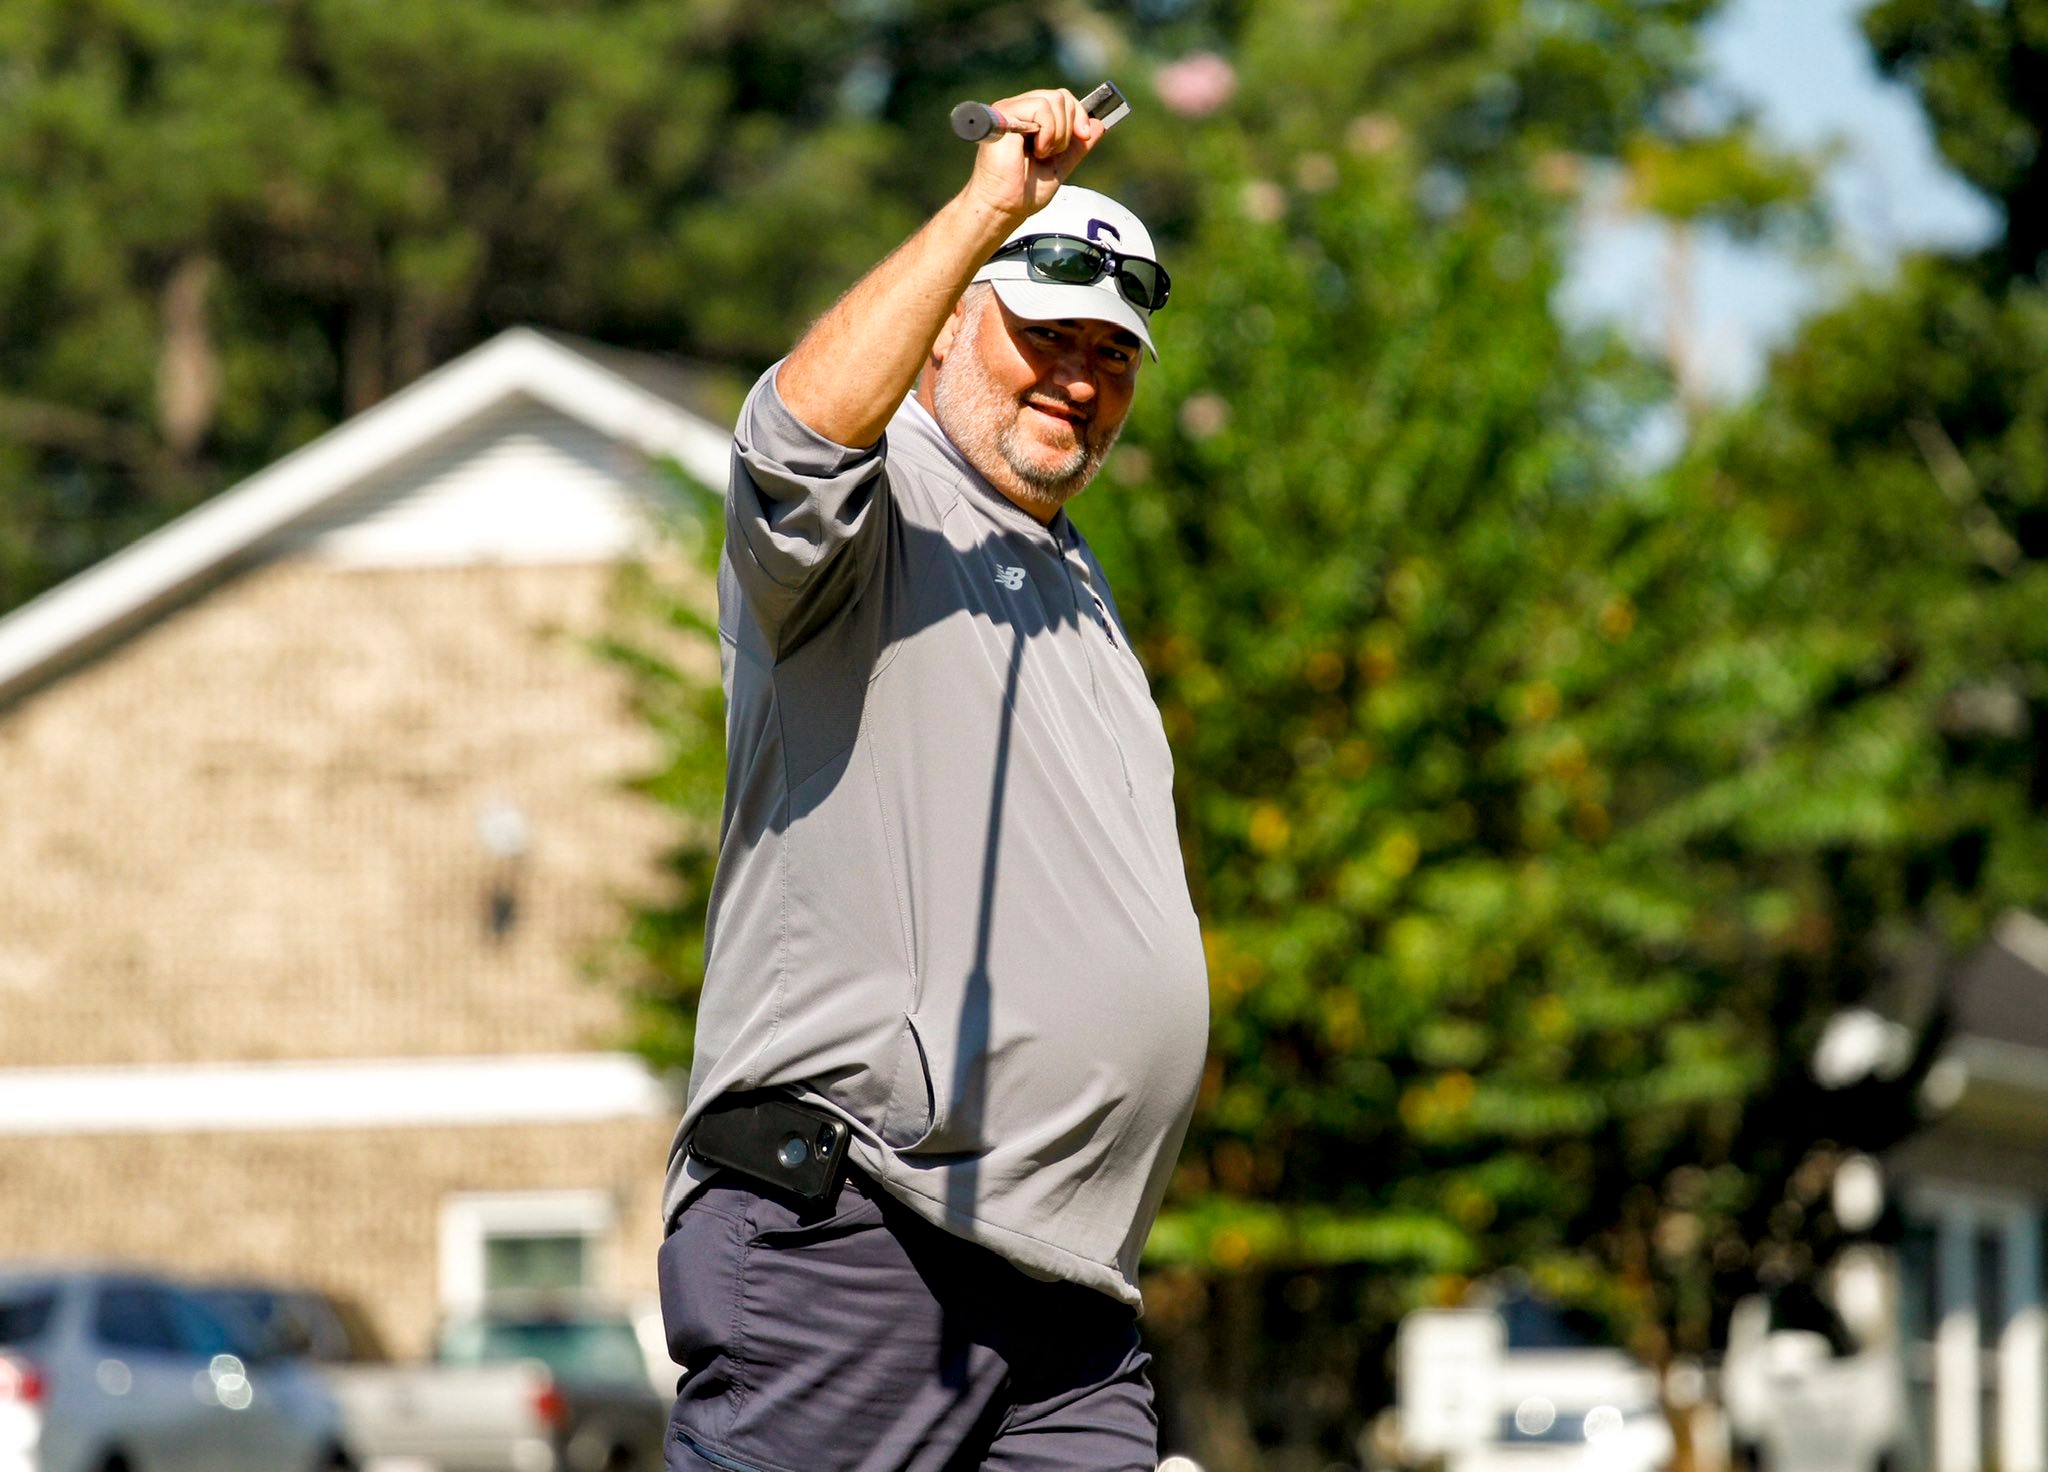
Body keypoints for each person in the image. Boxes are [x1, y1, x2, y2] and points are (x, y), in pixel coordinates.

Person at [656, 85, 1209, 1472]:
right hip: (866, 1234)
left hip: (1066, 1291)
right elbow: (791, 438)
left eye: (1112, 354)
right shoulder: (882, 510)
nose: (1079, 377)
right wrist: (986, 210)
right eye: (1043, 336)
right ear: (951, 329)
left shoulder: (1071, 580)